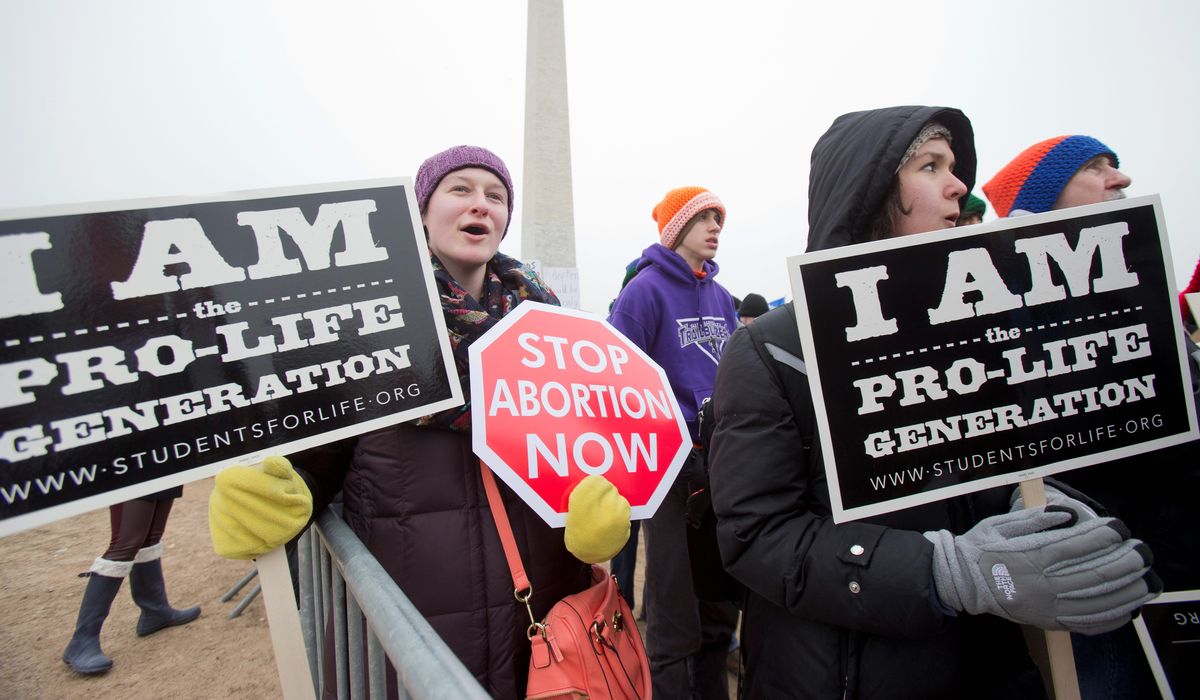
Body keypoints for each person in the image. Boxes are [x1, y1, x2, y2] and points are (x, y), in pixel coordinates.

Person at [708, 107, 1161, 699]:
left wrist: (1052, 514)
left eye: (954, 167)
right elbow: (756, 534)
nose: (959, 186)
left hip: (985, 670)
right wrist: (944, 572)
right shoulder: (771, 347)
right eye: (930, 166)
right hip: (836, 680)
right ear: (868, 193)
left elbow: (993, 469)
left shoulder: (975, 329)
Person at [207, 145, 629, 699]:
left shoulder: (554, 333)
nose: (481, 203)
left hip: (546, 632)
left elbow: (582, 452)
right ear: (421, 211)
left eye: (496, 195)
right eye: (460, 189)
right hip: (409, 633)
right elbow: (316, 458)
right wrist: (280, 490)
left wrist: (596, 517)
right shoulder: (357, 328)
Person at [984, 135, 1200, 699]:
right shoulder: (1005, 309)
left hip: (1182, 549)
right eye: (1095, 168)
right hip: (1096, 574)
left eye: (1116, 166)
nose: (1120, 178)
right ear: (1046, 199)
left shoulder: (1141, 286)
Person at [607, 185, 740, 699]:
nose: (714, 227)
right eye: (703, 217)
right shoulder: (643, 291)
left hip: (721, 462)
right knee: (672, 613)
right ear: (676, 227)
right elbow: (619, 381)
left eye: (718, 219)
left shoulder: (723, 298)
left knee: (717, 609)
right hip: (668, 469)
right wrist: (667, 445)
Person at [62, 487, 201, 675]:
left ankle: (155, 610)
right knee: (125, 543)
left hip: (165, 464)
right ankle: (82, 640)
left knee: (150, 537)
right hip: (129, 466)